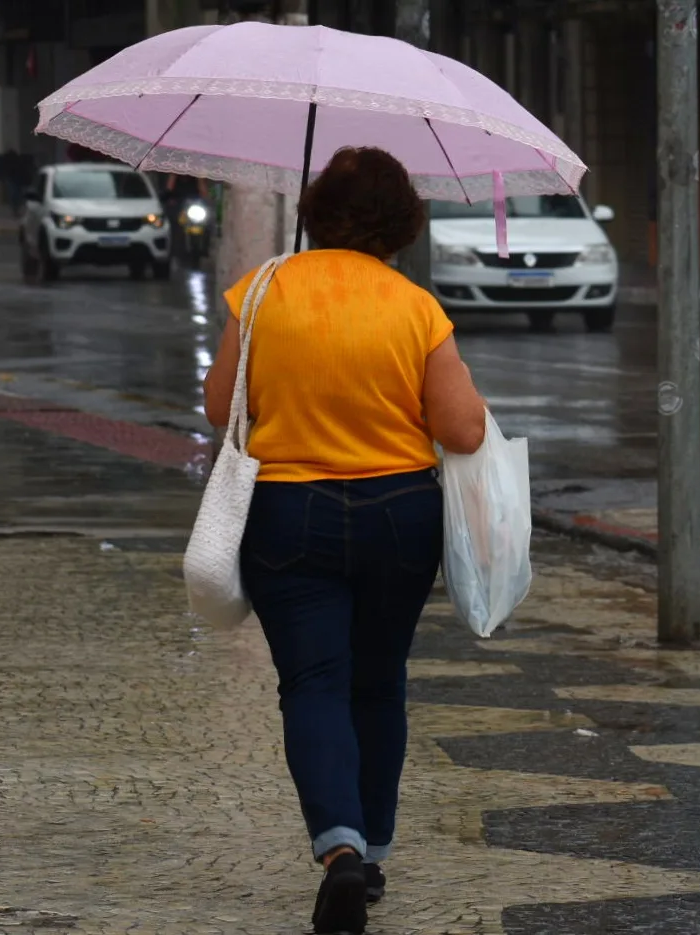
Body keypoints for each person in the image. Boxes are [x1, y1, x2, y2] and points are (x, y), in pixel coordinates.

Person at [202, 147, 486, 935]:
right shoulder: (414, 306)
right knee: (378, 679)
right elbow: (461, 428)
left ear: (315, 211)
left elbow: (220, 404)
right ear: (402, 224)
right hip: (400, 515)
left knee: (314, 683)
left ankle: (340, 850)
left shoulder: (259, 292)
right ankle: (376, 849)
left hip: (288, 515)